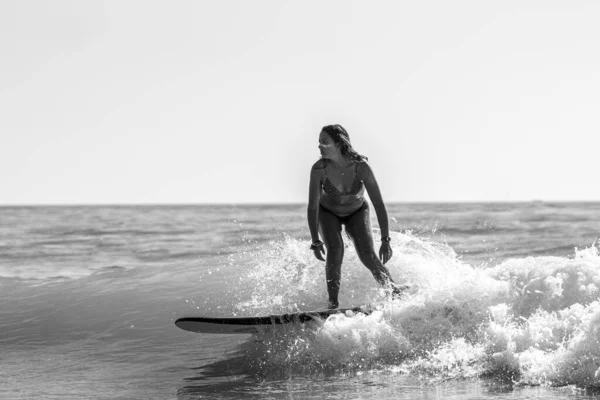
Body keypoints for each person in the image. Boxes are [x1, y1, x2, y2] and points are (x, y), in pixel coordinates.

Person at [307, 124, 406, 309]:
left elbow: (378, 204)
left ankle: (393, 290)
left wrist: (385, 240)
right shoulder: (319, 169)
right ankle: (333, 303)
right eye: (319, 142)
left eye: (324, 142)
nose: (319, 146)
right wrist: (315, 241)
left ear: (338, 143)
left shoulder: (361, 167)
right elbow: (313, 207)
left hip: (357, 212)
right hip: (328, 212)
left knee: (367, 254)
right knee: (335, 250)